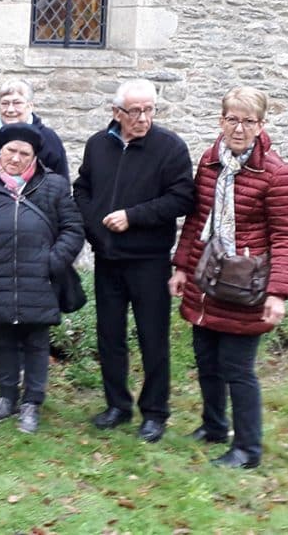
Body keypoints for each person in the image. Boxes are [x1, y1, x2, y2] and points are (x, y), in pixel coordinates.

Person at [169, 87, 288, 468]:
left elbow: (287, 236)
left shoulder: (275, 173)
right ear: (220, 120)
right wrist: (180, 267)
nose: (239, 129)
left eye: (248, 121)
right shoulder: (210, 163)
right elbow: (195, 220)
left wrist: (277, 293)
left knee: (237, 369)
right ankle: (213, 426)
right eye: (232, 119)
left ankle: (247, 449)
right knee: (206, 360)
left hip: (246, 286)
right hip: (205, 279)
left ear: (261, 126)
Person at [73, 79, 195, 443]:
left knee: (152, 338)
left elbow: (182, 199)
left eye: (149, 110)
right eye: (135, 111)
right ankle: (117, 405)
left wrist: (133, 216)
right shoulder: (98, 145)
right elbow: (82, 189)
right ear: (116, 113)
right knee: (110, 336)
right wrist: (96, 226)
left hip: (148, 260)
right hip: (108, 258)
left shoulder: (169, 147)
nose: (143, 118)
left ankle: (155, 412)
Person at [0, 123, 84, 432]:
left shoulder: (54, 186)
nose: (16, 158)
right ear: (0, 152)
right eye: (11, 150)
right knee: (2, 340)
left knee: (36, 342)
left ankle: (31, 403)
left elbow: (73, 228)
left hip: (38, 280)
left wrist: (52, 262)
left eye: (24, 153)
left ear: (34, 157)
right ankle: (7, 398)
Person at [0, 78, 70, 383]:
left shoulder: (49, 140)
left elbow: (61, 190)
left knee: (30, 305)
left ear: (31, 106)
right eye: (5, 103)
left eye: (17, 102)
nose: (11, 108)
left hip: (34, 241)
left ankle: (26, 367)